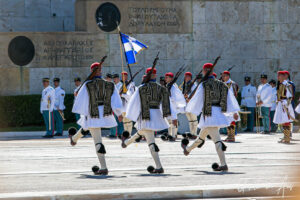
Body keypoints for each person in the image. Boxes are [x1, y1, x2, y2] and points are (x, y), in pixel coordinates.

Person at [181, 63, 240, 171]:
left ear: (205, 71)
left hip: (209, 115)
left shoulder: (204, 84)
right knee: (201, 137)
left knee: (217, 140)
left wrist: (189, 103)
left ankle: (223, 164)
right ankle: (188, 150)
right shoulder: (222, 84)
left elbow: (197, 99)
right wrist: (234, 112)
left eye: (203, 71)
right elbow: (230, 99)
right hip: (218, 114)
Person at [70, 62, 123, 175]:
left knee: (97, 140)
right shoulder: (110, 84)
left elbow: (80, 100)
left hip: (93, 115)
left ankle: (103, 167)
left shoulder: (87, 85)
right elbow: (115, 101)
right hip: (106, 114)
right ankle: (74, 139)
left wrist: (78, 97)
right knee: (86, 127)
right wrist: (119, 113)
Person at [121, 67, 177, 174]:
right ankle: (127, 143)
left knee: (150, 140)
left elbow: (134, 103)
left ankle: (159, 166)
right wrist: (172, 117)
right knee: (142, 131)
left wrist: (131, 115)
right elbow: (166, 104)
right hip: (156, 115)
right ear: (155, 76)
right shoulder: (161, 88)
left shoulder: (141, 88)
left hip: (146, 116)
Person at [161, 72, 186, 141]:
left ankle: (174, 135)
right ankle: (170, 135)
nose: (165, 78)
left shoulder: (173, 86)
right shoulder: (168, 85)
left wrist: (171, 99)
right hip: (168, 105)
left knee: (174, 120)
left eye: (167, 77)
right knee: (169, 120)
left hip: (172, 105)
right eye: (165, 77)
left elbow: (175, 96)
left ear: (171, 78)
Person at [273, 71, 295, 144]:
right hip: (281, 103)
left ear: (283, 76)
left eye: (279, 76)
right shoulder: (280, 84)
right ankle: (286, 137)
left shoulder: (287, 85)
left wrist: (286, 105)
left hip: (285, 104)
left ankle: (287, 138)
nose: (278, 77)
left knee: (286, 121)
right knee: (283, 121)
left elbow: (290, 96)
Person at [221, 70, 240, 142]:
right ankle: (229, 136)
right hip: (225, 104)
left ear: (228, 76)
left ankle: (232, 136)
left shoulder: (232, 84)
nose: (222, 77)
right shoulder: (223, 83)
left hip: (231, 104)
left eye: (224, 76)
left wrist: (235, 110)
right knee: (227, 120)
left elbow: (233, 96)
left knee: (232, 119)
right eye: (222, 76)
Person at [182, 72, 198, 139]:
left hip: (192, 103)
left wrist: (188, 97)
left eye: (187, 76)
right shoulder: (185, 84)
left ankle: (194, 133)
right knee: (190, 119)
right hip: (186, 103)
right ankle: (191, 133)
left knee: (194, 119)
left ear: (190, 77)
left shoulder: (193, 84)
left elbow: (194, 93)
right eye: (185, 76)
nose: (186, 78)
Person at [120, 71, 135, 136]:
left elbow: (130, 96)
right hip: (122, 107)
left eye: (124, 76)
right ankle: (125, 134)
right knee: (125, 122)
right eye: (122, 76)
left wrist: (122, 95)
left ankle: (129, 134)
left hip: (128, 107)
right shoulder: (121, 85)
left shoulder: (130, 85)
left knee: (129, 122)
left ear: (126, 76)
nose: (123, 77)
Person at [110, 73, 124, 138]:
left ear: (118, 78)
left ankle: (120, 133)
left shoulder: (121, 85)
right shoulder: (114, 86)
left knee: (120, 120)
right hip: (114, 105)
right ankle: (115, 133)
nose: (114, 80)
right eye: (113, 79)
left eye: (115, 78)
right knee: (114, 119)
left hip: (120, 104)